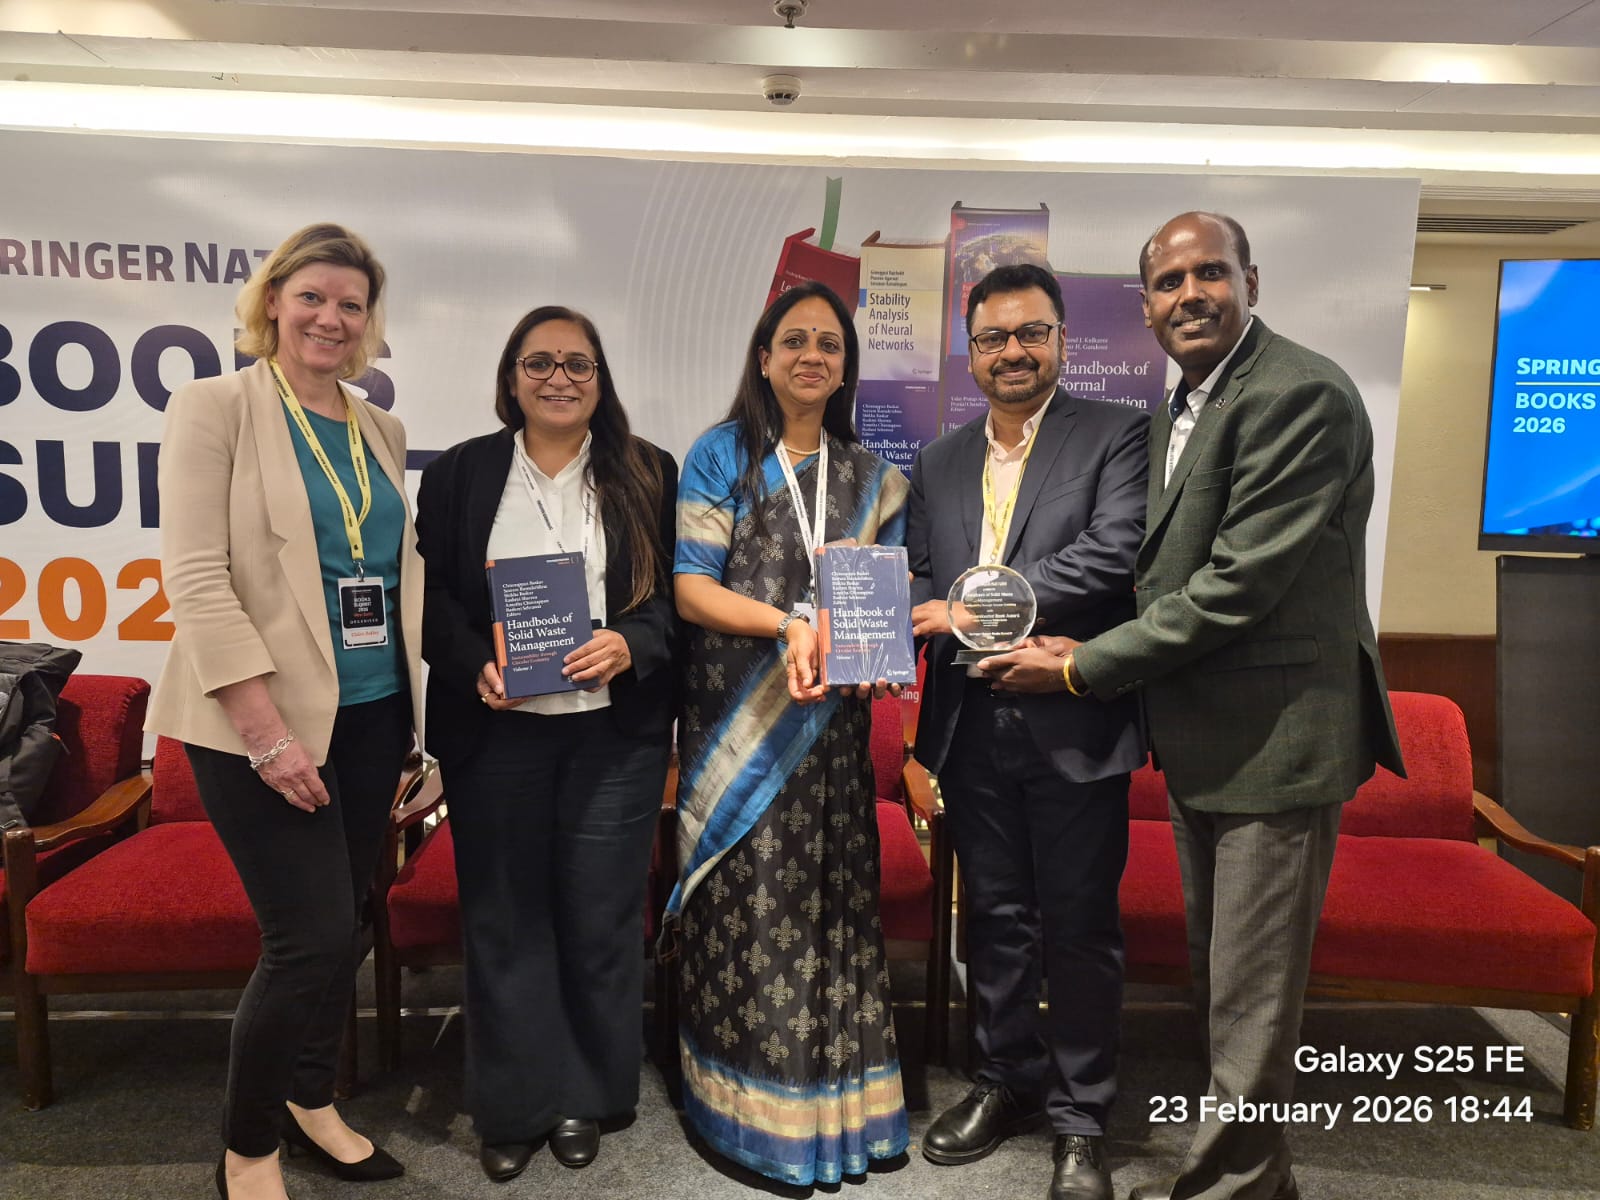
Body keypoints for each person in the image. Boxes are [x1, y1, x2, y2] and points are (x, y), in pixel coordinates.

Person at [979, 212, 1405, 1200]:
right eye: (1168, 283)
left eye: (1209, 273)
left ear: (1251, 281)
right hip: (1209, 738)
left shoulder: (1298, 394)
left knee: (1251, 997)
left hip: (1276, 745)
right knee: (1229, 983)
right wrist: (1080, 645)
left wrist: (1083, 667)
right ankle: (1258, 1181)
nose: (1189, 296)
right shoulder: (1188, 401)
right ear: (1145, 307)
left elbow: (1233, 587)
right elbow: (1169, 574)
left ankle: (1227, 1188)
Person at [147, 223, 421, 1200]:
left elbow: (386, 574)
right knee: (304, 940)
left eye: (350, 303)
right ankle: (247, 1148)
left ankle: (312, 1101)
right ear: (273, 301)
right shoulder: (214, 406)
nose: (330, 318)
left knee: (345, 927)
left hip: (372, 714)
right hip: (258, 723)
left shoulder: (379, 427)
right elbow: (196, 578)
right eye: (312, 296)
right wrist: (267, 735)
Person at [416, 306, 678, 1183]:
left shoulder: (648, 471)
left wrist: (630, 644)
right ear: (511, 377)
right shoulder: (459, 474)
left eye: (578, 363)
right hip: (498, 733)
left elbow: (673, 601)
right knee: (505, 918)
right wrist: (474, 666)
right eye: (540, 363)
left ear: (600, 378)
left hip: (614, 737)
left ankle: (587, 1095)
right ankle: (514, 1103)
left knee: (600, 916)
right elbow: (432, 599)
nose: (559, 378)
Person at [906, 263, 1149, 1200]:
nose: (1012, 351)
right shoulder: (938, 460)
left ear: (1061, 340)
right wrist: (888, 607)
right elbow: (919, 575)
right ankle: (1005, 1078)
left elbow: (1114, 554)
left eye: (1030, 333)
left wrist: (973, 608)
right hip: (969, 724)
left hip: (1073, 718)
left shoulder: (1119, 434)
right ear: (970, 354)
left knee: (1079, 925)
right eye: (993, 338)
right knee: (995, 918)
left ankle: (1081, 1117)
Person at [668, 280, 911, 1186]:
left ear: (846, 368)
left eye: (830, 344)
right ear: (764, 357)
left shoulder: (875, 477)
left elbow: (885, 602)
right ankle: (747, 1118)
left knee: (832, 907)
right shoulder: (721, 454)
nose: (813, 356)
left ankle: (840, 1117)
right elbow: (692, 589)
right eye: (796, 341)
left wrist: (881, 652)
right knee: (750, 907)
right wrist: (787, 625)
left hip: (832, 731)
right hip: (740, 727)